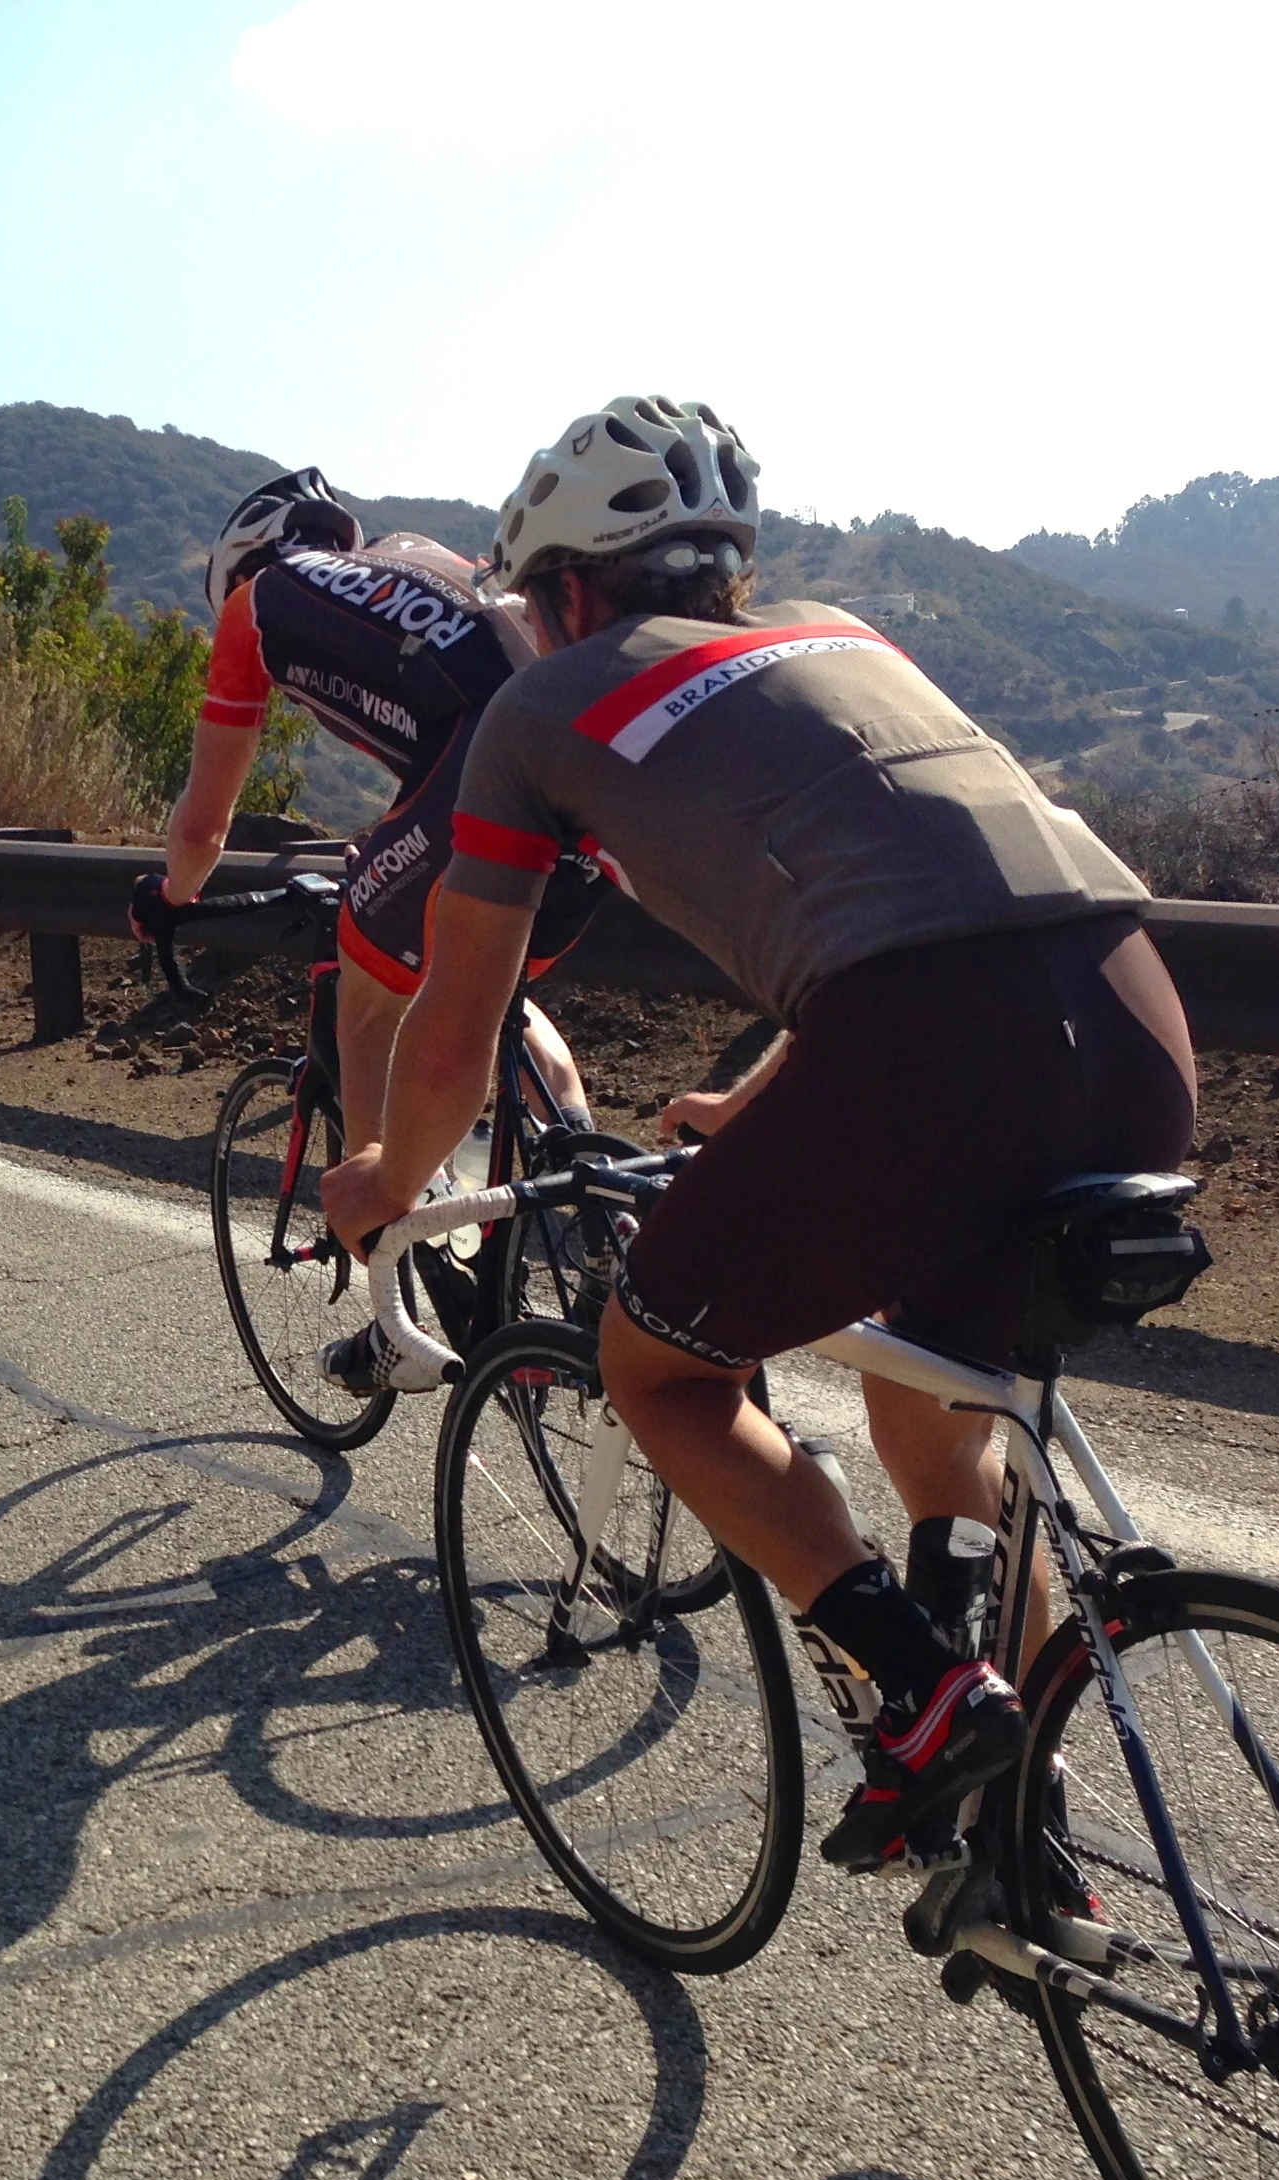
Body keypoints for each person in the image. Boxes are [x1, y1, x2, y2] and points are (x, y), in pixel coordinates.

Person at [324, 396, 1193, 1872]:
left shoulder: (541, 708)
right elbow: (937, 888)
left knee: (657, 1367)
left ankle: (928, 1695)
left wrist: (388, 1180)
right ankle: (1022, 1842)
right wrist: (762, 1104)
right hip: (1134, 1017)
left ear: (567, 593)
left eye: (533, 604)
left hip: (923, 1047)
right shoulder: (843, 635)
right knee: (935, 1397)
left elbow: (460, 1026)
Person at [145, 468, 608, 1391]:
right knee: (494, 994)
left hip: (489, 766)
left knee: (368, 996)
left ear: (242, 566)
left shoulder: (257, 604)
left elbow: (203, 828)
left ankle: (391, 1298)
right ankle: (599, 1222)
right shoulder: (416, 562)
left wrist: (168, 896)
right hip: (589, 772)